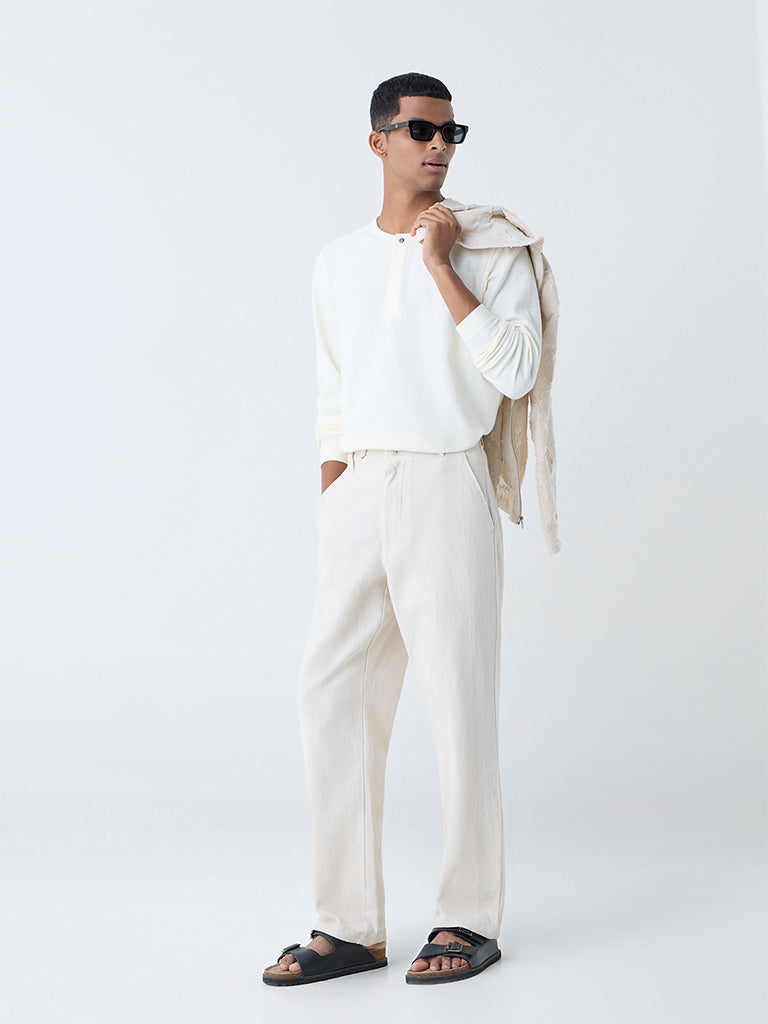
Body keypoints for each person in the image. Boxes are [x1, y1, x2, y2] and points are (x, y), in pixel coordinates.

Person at [263, 71, 543, 987]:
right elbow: (331, 394)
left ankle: (469, 916)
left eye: (451, 132)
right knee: (332, 697)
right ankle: (349, 927)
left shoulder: (490, 247)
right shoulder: (336, 261)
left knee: (458, 702)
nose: (439, 146)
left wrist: (441, 266)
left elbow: (516, 371)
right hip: (361, 486)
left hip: (445, 480)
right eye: (421, 129)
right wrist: (334, 497)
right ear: (378, 140)